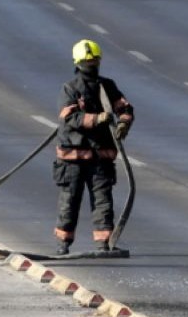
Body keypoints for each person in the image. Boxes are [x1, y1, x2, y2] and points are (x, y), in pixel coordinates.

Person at [53, 39, 134, 255]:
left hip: (100, 158)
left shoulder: (107, 87)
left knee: (103, 201)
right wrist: (97, 118)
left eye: (94, 60)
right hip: (73, 159)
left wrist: (124, 122)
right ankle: (63, 244)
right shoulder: (70, 89)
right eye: (89, 60)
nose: (92, 64)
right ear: (79, 62)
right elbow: (70, 118)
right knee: (69, 201)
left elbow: (124, 107)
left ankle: (104, 243)